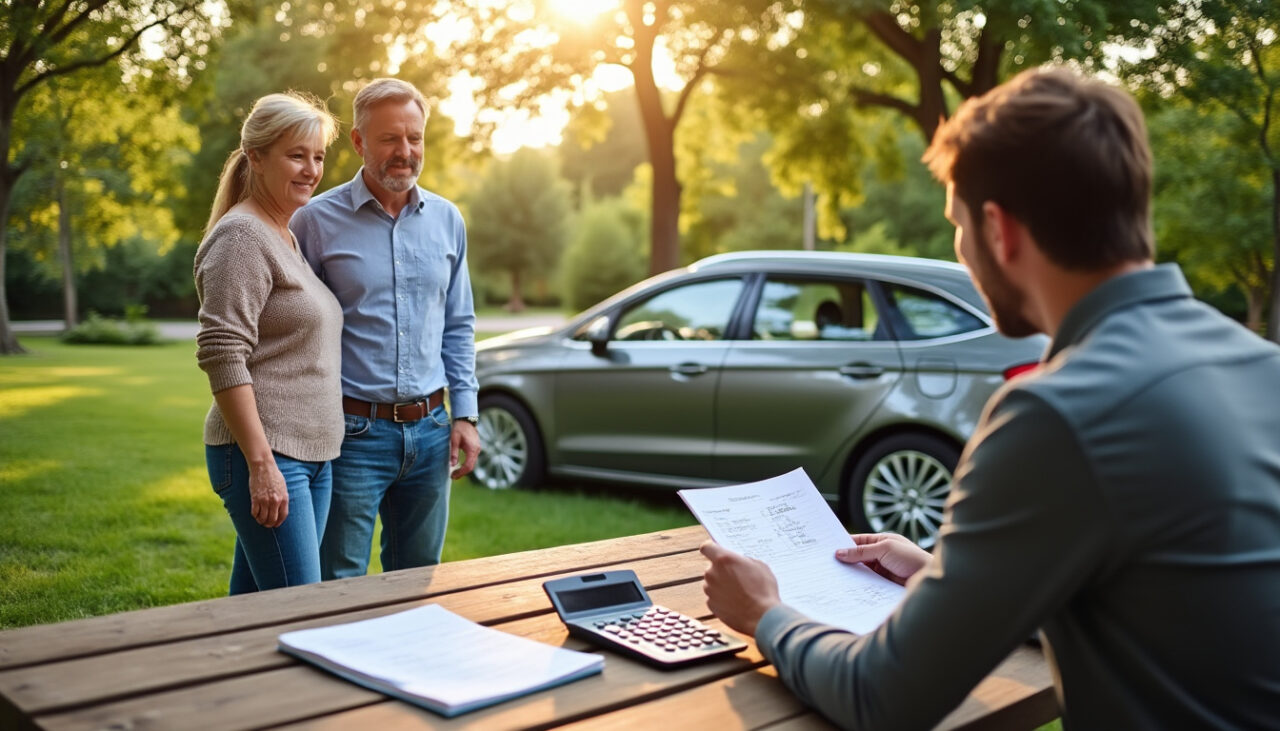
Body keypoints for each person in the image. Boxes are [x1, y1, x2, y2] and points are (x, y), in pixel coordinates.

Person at [701, 67, 1280, 728]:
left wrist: (766, 613)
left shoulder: (1058, 413)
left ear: (999, 231)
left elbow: (881, 697)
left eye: (957, 223)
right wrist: (938, 579)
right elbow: (1171, 605)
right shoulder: (1261, 365)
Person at [291, 78, 481, 579]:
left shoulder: (447, 220)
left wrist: (467, 414)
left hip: (434, 431)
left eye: (414, 138)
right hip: (352, 434)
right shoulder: (314, 222)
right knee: (339, 583)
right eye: (389, 139)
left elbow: (458, 325)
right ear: (358, 142)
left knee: (419, 579)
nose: (405, 152)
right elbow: (292, 330)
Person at [194, 92, 344, 594]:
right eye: (296, 155)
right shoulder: (242, 237)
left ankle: (214, 674)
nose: (311, 169)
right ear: (256, 157)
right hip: (270, 456)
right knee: (298, 611)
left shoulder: (284, 235)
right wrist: (262, 466)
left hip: (311, 456)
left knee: (252, 609)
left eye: (318, 156)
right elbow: (221, 353)